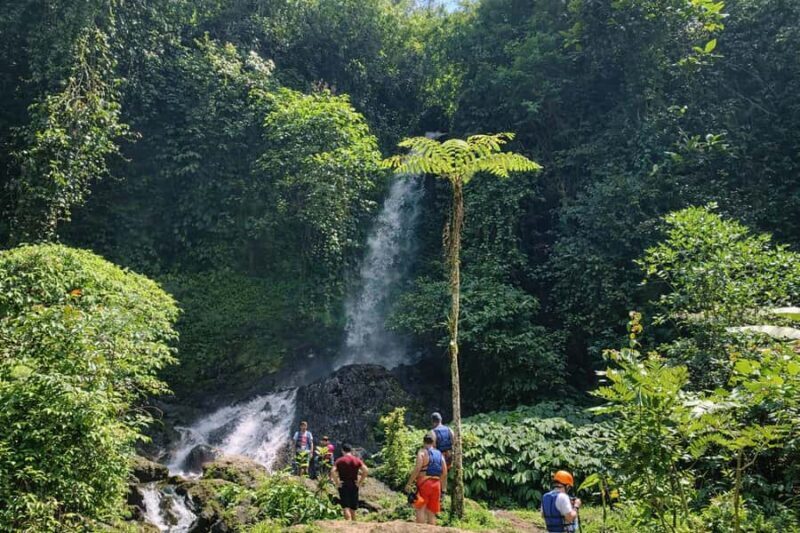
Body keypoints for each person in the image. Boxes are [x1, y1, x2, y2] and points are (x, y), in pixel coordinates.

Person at [405, 434, 448, 525]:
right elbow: (444, 473)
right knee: (431, 513)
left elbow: (417, 469)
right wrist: (443, 489)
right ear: (433, 443)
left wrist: (409, 483)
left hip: (424, 484)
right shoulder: (440, 454)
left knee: (420, 508)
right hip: (436, 485)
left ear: (424, 442)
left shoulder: (422, 452)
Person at [330, 443, 368, 521]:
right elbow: (366, 470)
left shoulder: (339, 460)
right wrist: (360, 482)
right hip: (354, 484)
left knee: (345, 507)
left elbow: (332, 471)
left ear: (342, 451)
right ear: (351, 451)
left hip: (343, 485)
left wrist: (337, 482)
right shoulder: (357, 460)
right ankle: (354, 526)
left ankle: (348, 525)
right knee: (353, 508)